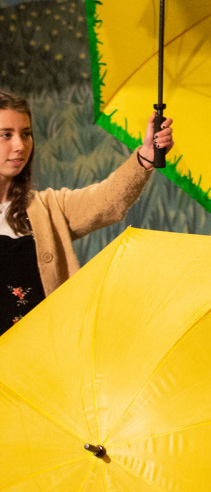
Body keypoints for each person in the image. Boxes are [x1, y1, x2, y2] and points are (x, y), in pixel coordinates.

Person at [0, 89, 174, 335]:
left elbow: (106, 201)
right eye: (6, 135)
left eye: (26, 134)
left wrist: (145, 157)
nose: (20, 145)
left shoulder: (47, 208)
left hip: (41, 357)